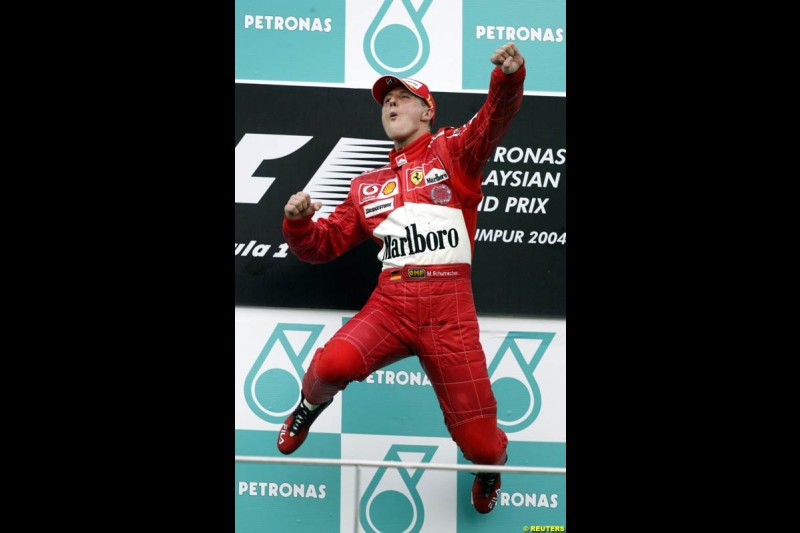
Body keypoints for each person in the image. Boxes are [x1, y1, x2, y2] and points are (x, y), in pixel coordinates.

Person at [278, 42, 526, 514]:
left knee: (481, 444)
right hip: (392, 303)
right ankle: (307, 409)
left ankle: (491, 467)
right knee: (330, 368)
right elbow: (323, 244)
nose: (391, 103)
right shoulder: (366, 185)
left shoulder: (455, 150)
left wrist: (508, 79)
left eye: (403, 97)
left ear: (428, 110)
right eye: (386, 100)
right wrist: (299, 224)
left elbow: (495, 117)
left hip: (448, 306)